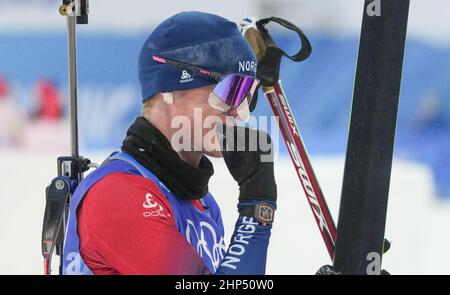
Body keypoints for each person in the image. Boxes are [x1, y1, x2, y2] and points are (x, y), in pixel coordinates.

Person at [63, 11, 277, 275]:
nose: (237, 111)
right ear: (169, 90)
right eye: (230, 90)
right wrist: (257, 206)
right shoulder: (118, 196)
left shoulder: (203, 204)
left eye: (247, 95)